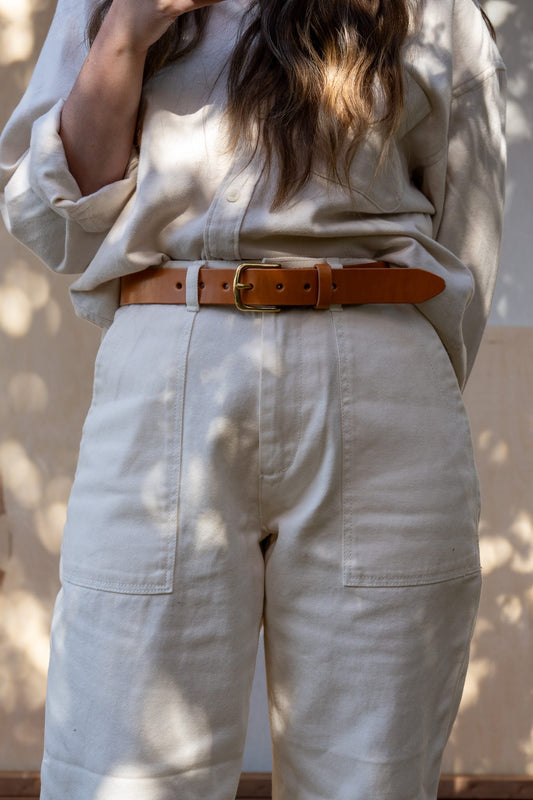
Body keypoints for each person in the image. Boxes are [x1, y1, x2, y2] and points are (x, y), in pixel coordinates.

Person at [0, 0, 506, 797]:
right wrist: (126, 33)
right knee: (120, 768)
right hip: (168, 368)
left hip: (379, 383)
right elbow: (55, 218)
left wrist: (398, 379)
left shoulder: (435, 11)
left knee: (369, 777)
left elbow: (467, 236)